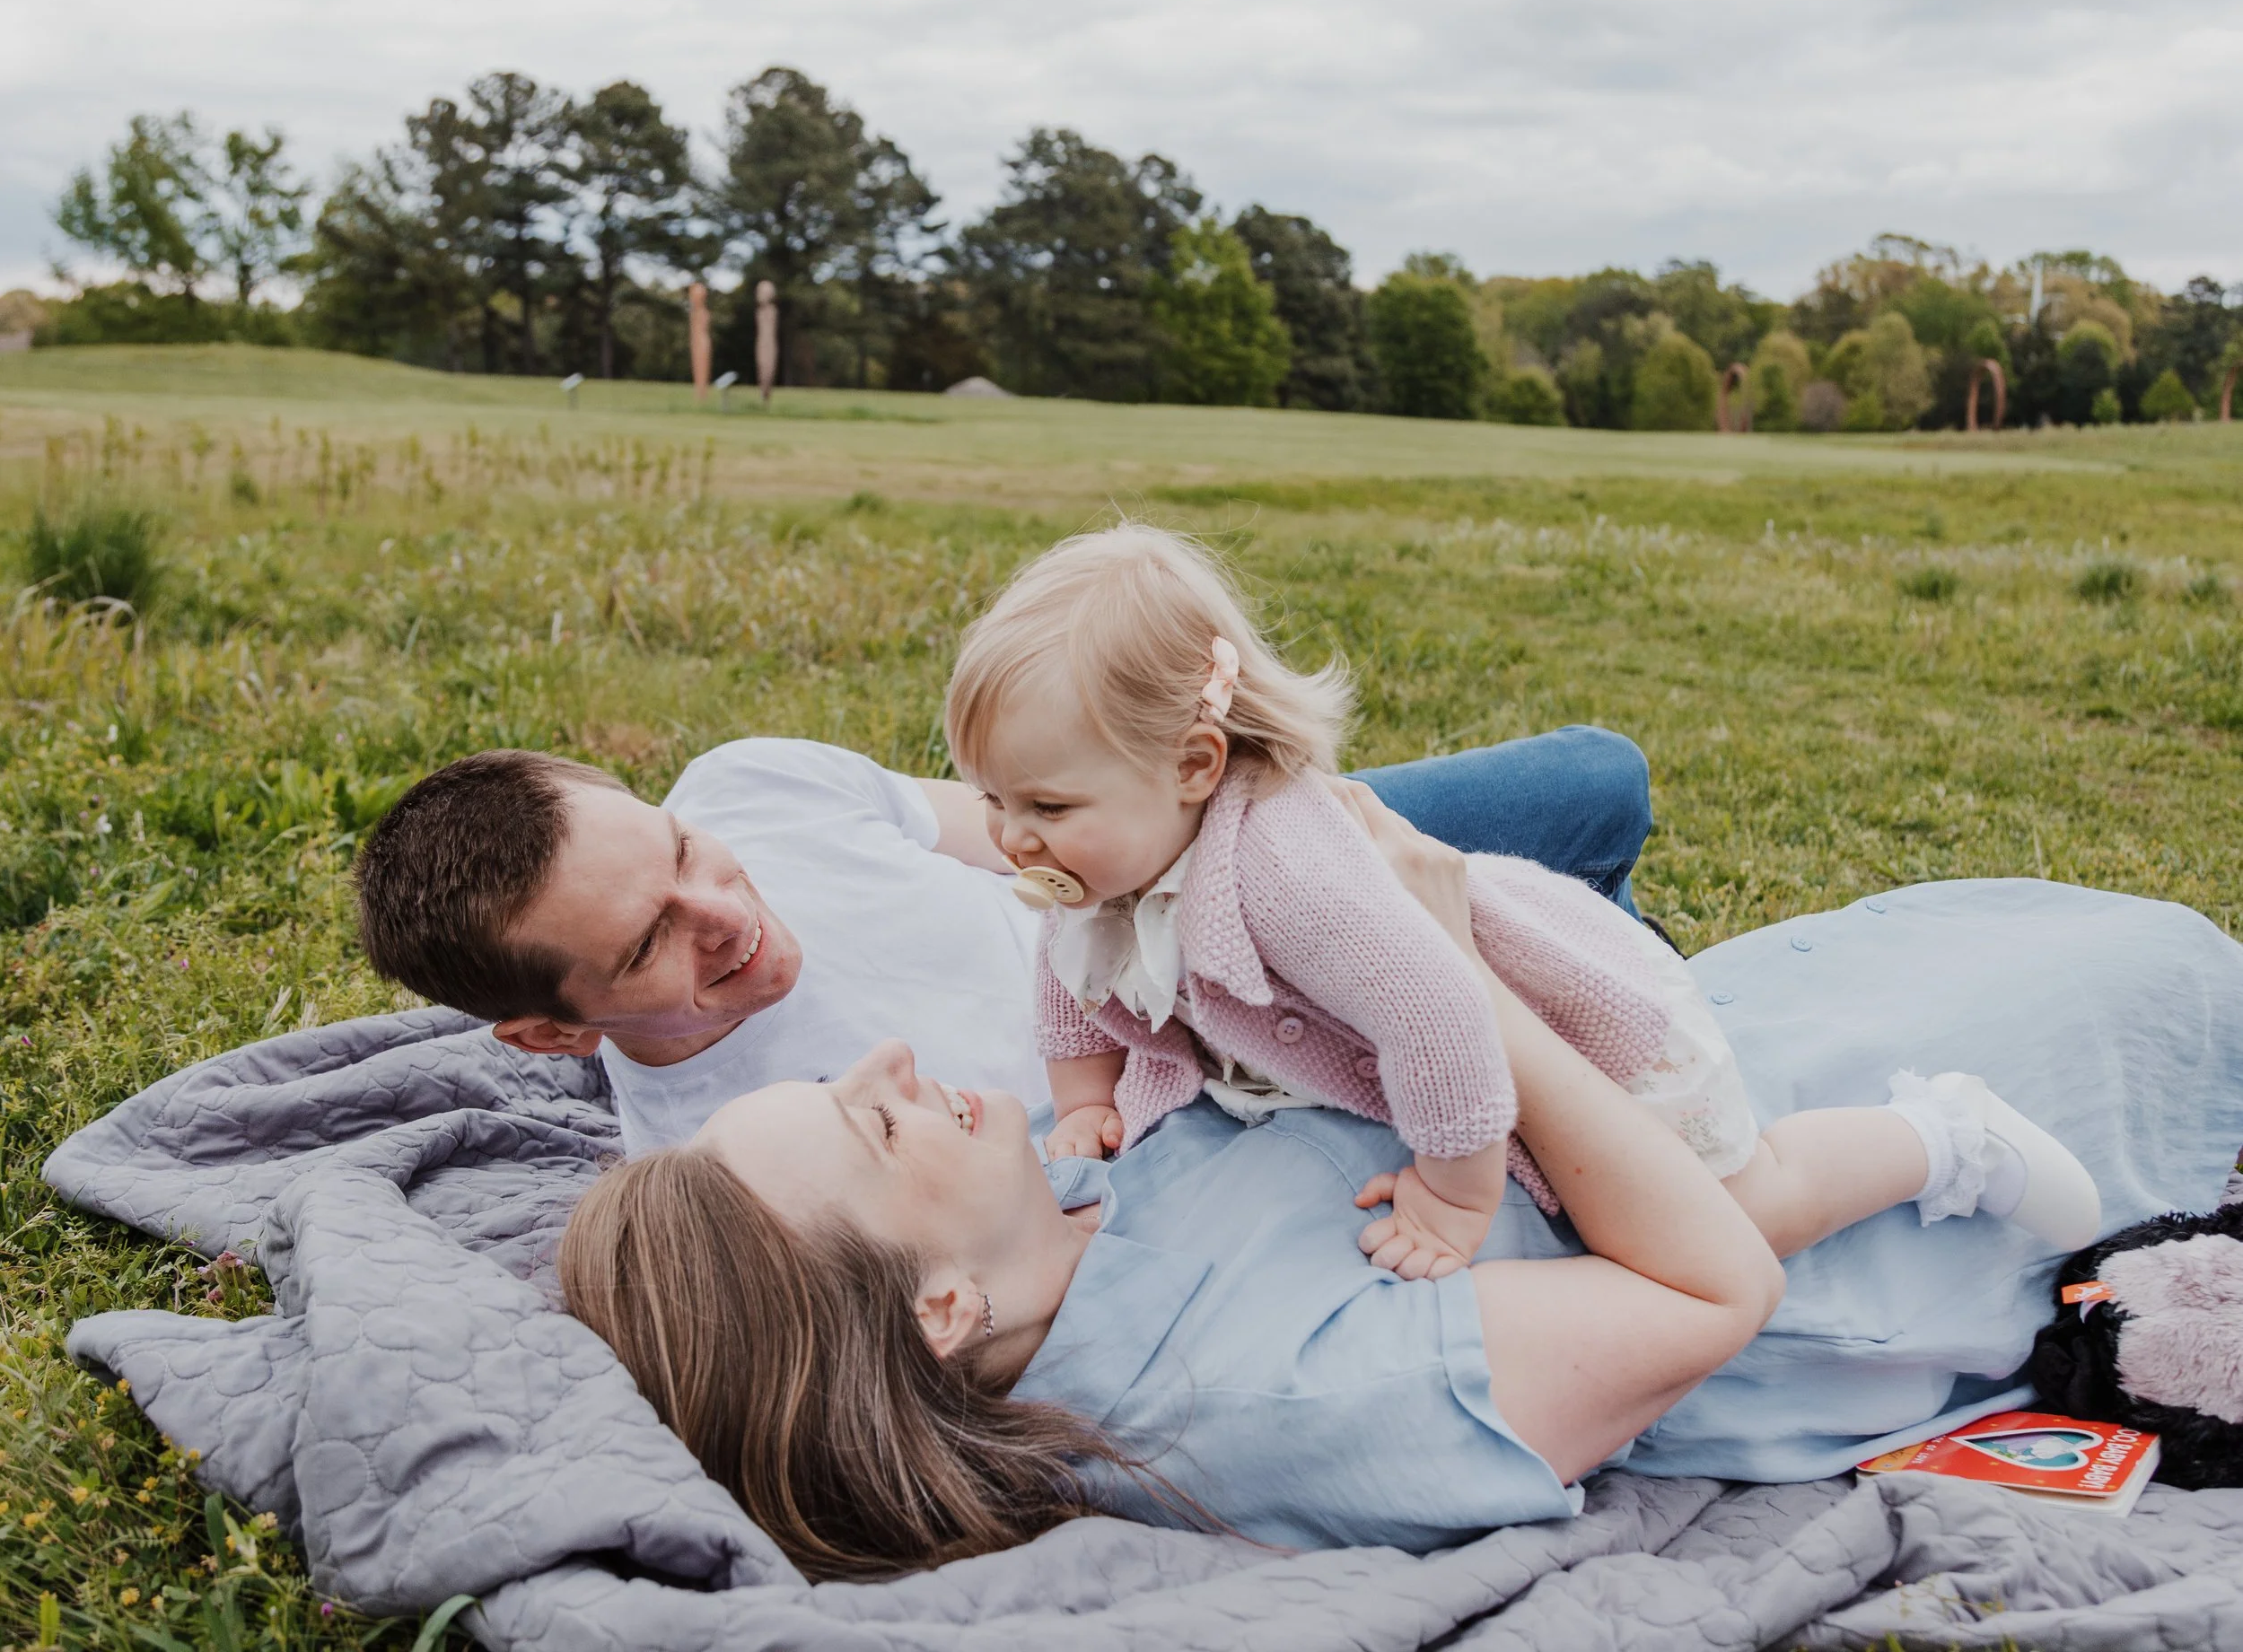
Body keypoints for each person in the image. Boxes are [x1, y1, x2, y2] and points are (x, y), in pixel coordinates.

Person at [557, 800, 2243, 1579]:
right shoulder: (1260, 1405)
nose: (885, 1068)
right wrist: (1446, 976)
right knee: (2162, 979)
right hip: (1863, 1220)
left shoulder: (1062, 1219)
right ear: (942, 1311)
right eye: (867, 1128)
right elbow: (1708, 1284)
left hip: (1675, 1071)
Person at [942, 526, 2098, 1275]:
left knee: (1737, 1213)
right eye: (991, 797)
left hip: (1573, 1013)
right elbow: (1069, 959)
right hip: (1441, 1021)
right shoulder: (1103, 850)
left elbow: (1443, 1016)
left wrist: (1452, 1195)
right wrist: (1083, 1088)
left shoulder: (1289, 877)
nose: (1010, 837)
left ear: (1195, 765)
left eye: (1040, 803)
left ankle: (1939, 1135)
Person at [352, 717, 1656, 1156]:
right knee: (1566, 1039)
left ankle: (1619, 971)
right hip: (1234, 1047)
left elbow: (1011, 831)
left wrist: (1269, 830)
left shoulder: (749, 780)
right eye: (649, 947)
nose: (727, 914)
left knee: (1598, 781)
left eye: (682, 853)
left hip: (1183, 883)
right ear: (547, 1033)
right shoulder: (743, 1158)